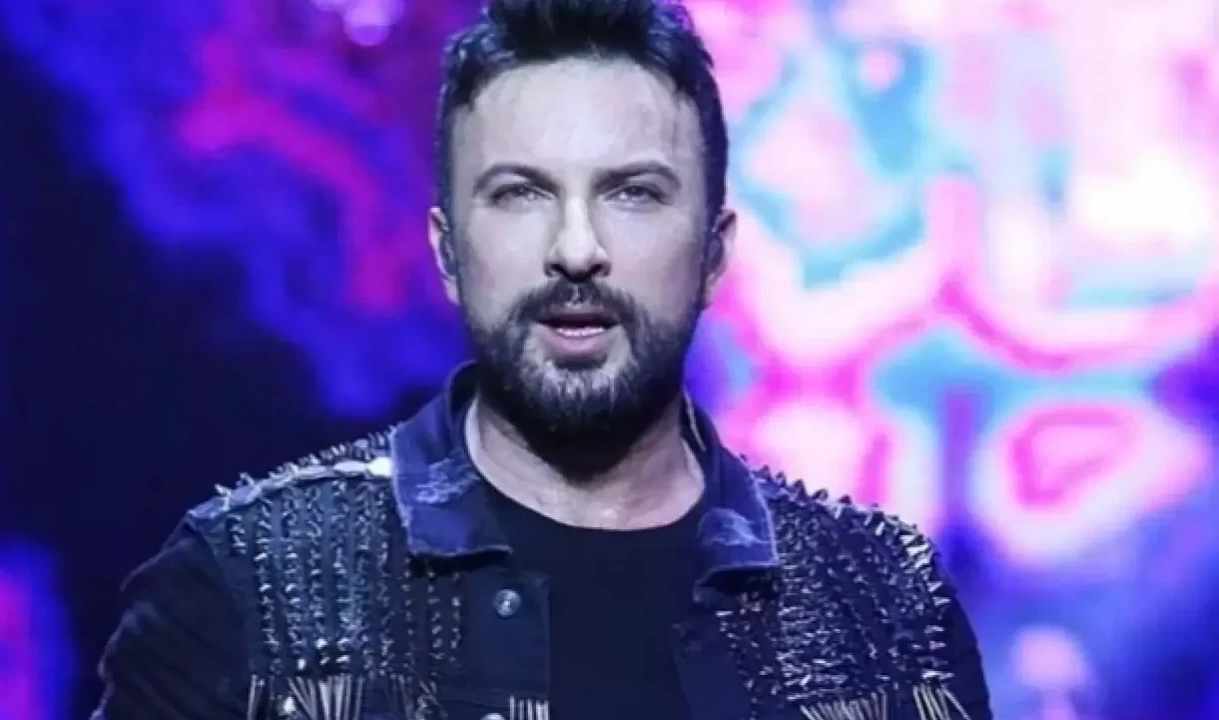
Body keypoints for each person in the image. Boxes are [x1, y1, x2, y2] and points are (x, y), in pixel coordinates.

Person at [91, 0, 993, 718]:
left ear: (714, 253)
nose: (575, 249)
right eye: (521, 194)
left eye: (632, 194)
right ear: (448, 251)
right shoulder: (246, 592)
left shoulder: (882, 610)